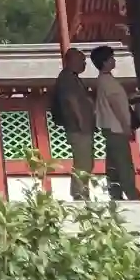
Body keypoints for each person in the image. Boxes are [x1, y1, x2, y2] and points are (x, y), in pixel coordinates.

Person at [90, 45, 140, 201]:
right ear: (105, 62)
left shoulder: (104, 80)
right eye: (111, 58)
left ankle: (115, 193)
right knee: (123, 162)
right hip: (116, 126)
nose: (114, 60)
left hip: (110, 127)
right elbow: (115, 104)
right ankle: (132, 194)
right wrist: (125, 125)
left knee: (113, 164)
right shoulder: (107, 81)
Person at [50, 47, 97, 199]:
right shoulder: (67, 78)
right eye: (81, 60)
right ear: (71, 61)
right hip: (78, 127)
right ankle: (80, 194)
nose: (84, 64)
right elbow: (72, 101)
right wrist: (81, 120)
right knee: (83, 163)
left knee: (85, 162)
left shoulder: (72, 78)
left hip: (80, 126)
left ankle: (81, 192)